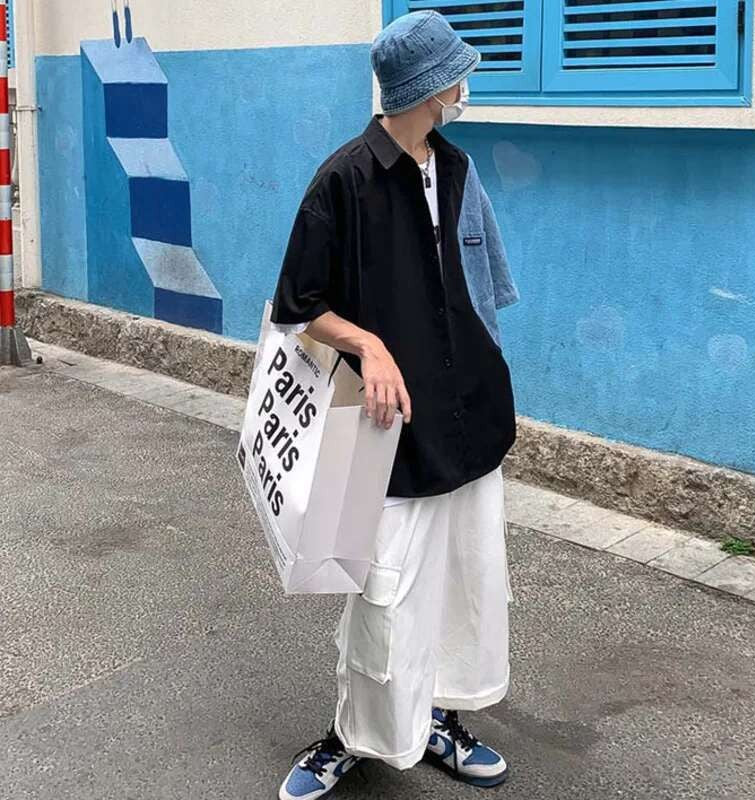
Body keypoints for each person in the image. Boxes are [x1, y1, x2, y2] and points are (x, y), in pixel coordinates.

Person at [270, 10, 520, 799]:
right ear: (430, 87)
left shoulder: (457, 168)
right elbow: (298, 305)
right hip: (386, 434)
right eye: (458, 75)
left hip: (469, 419)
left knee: (464, 584)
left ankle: (437, 717)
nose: (465, 86)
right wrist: (369, 344)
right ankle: (354, 735)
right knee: (383, 595)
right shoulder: (343, 180)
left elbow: (483, 289)